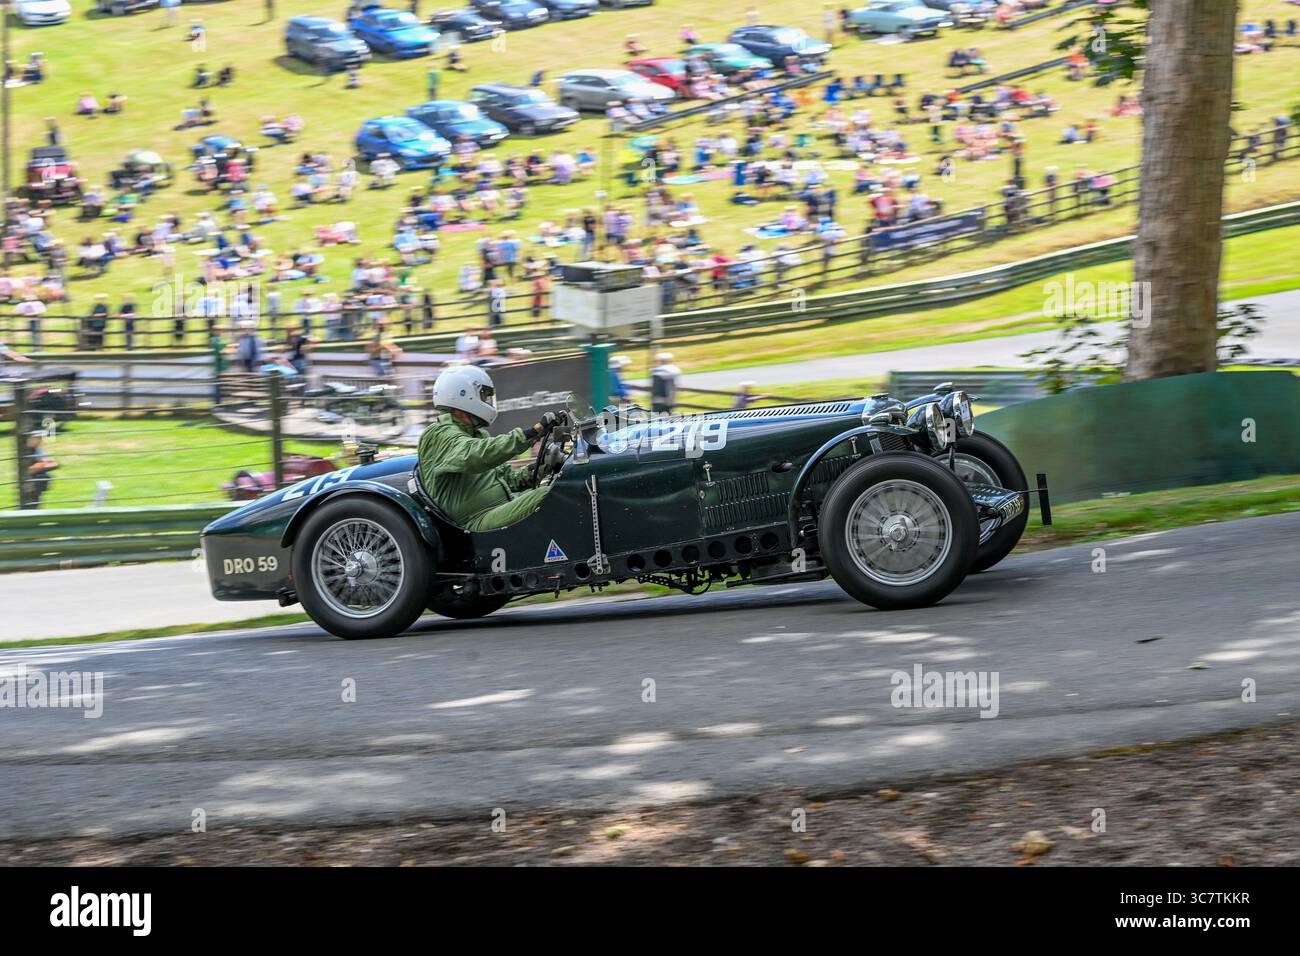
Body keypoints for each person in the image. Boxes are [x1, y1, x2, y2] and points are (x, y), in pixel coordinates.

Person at [416, 365, 555, 532]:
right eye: (483, 395)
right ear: (462, 394)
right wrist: (532, 433)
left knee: (562, 488)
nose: (487, 401)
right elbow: (474, 454)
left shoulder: (478, 434)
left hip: (502, 506)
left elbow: (507, 480)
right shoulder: (438, 434)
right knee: (548, 495)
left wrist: (540, 468)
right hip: (475, 519)